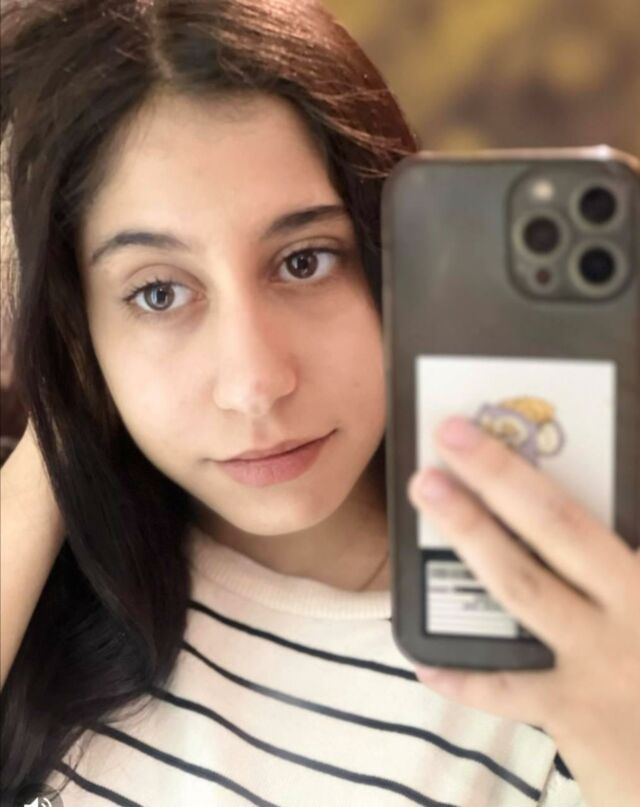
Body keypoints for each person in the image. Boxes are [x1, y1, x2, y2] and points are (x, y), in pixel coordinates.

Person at [1, 1, 638, 805]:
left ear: (397, 255)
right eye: (159, 292)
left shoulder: (575, 646)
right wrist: (58, 425)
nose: (255, 382)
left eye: (304, 261)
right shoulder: (40, 566)